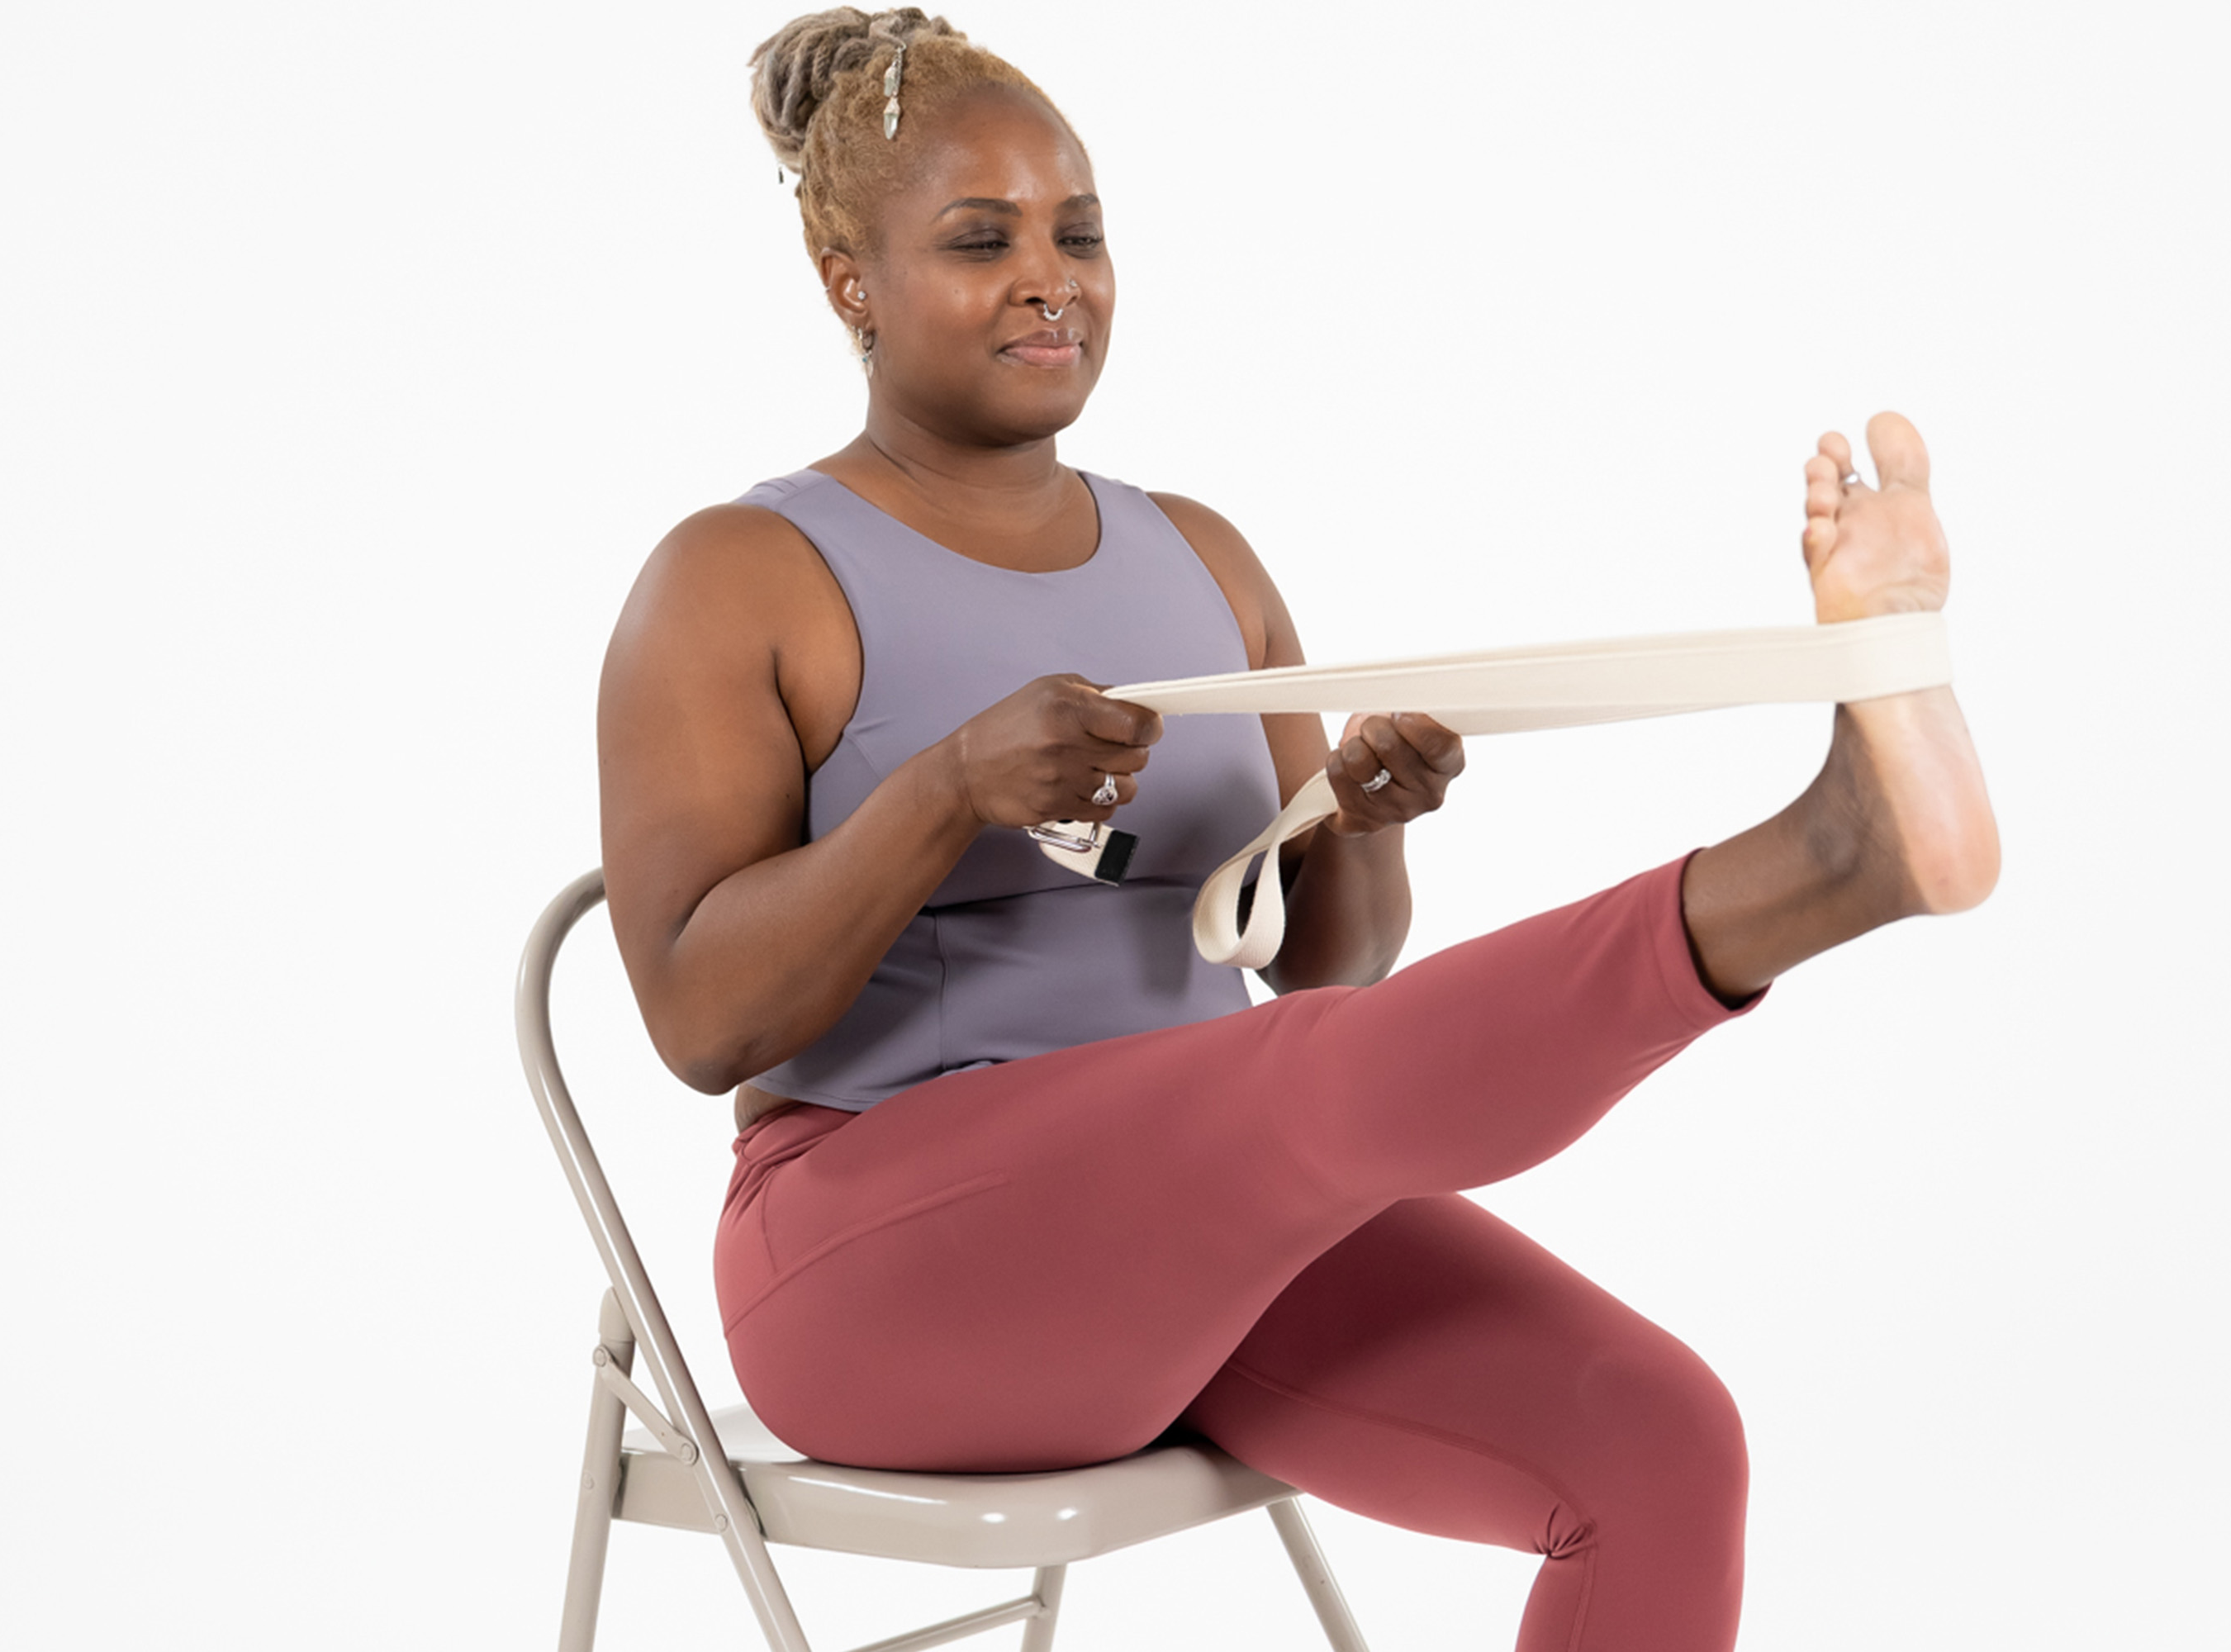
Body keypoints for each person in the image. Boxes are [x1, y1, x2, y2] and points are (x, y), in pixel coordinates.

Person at [595, 10, 2000, 1649]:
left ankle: (1842, 847)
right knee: (1290, 1098)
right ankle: (1824, 861)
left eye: (1082, 232)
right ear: (851, 279)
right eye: (981, 241)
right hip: (875, 1264)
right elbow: (700, 1021)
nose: (1052, 277)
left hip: (1203, 1224)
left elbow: (1328, 974)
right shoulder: (738, 575)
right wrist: (947, 789)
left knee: (1655, 1434)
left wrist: (1360, 825)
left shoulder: (1202, 554)